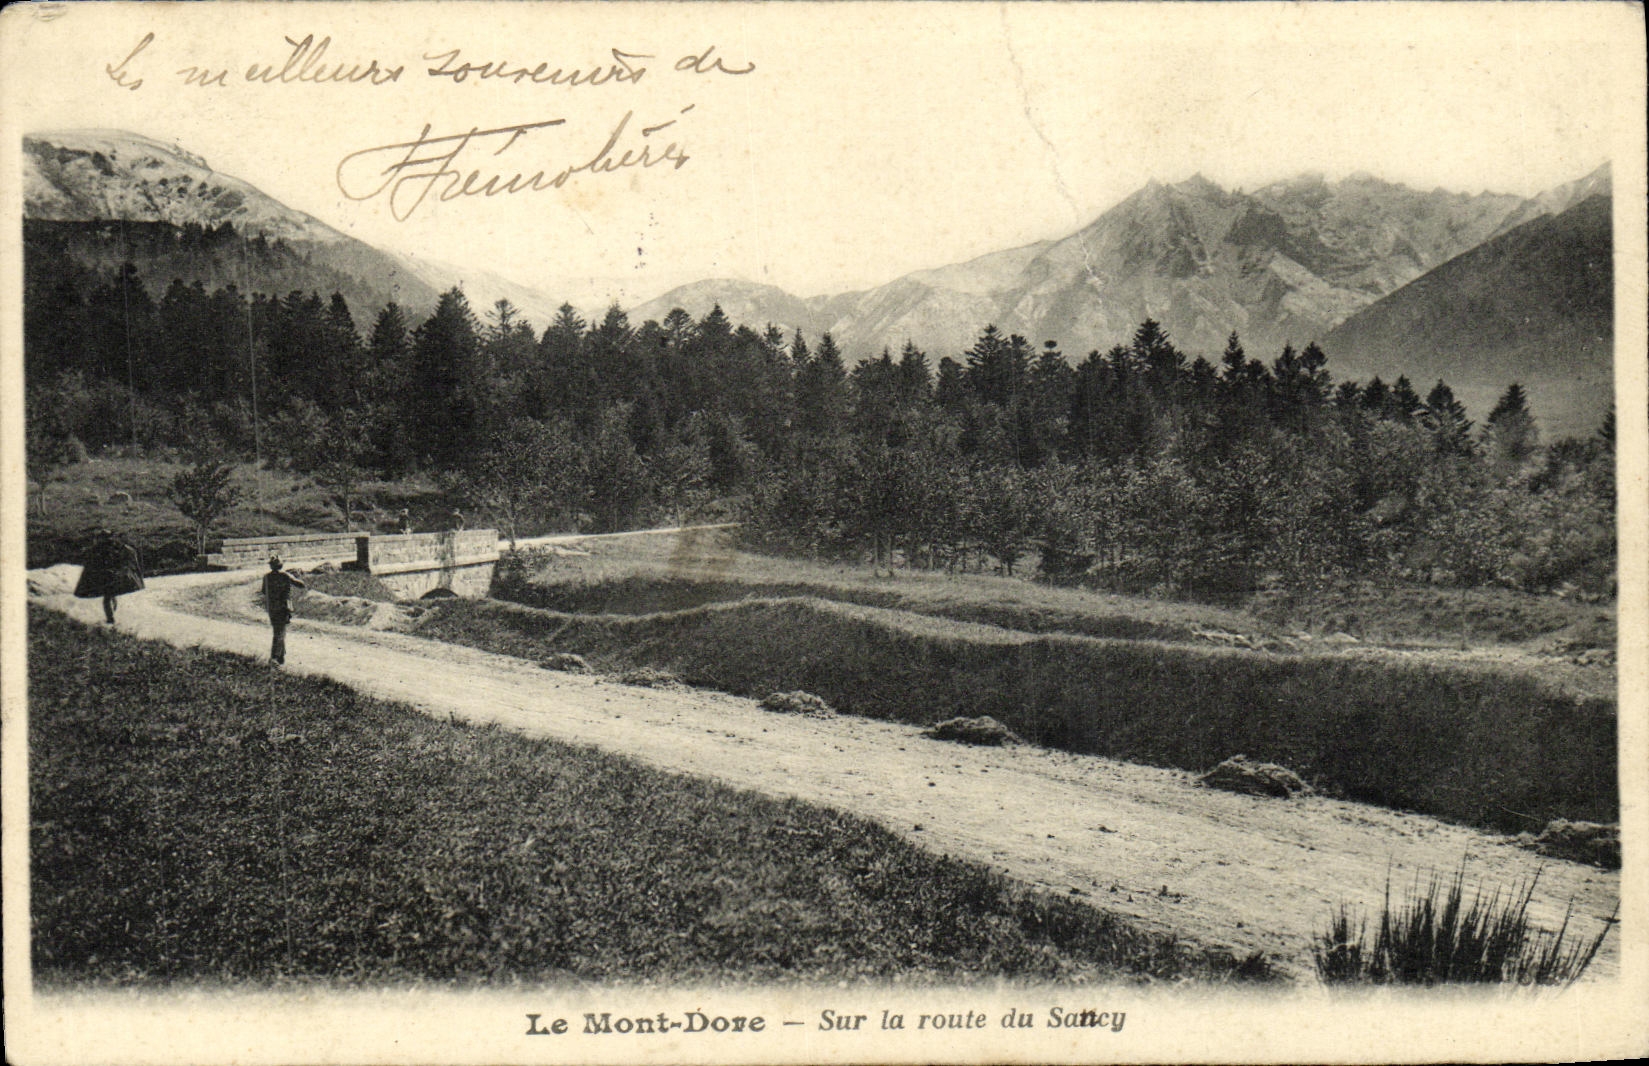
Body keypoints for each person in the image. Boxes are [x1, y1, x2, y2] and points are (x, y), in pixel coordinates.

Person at [73, 529, 144, 624]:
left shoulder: (100, 548)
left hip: (106, 577)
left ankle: (111, 619)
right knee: (111, 596)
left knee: (107, 598)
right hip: (114, 576)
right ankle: (112, 617)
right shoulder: (116, 546)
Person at [260, 555, 306, 665]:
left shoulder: (266, 577)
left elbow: (263, 591)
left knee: (277, 630)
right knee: (280, 632)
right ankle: (275, 656)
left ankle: (280, 656)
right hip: (283, 606)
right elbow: (301, 585)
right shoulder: (285, 575)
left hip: (271, 606)